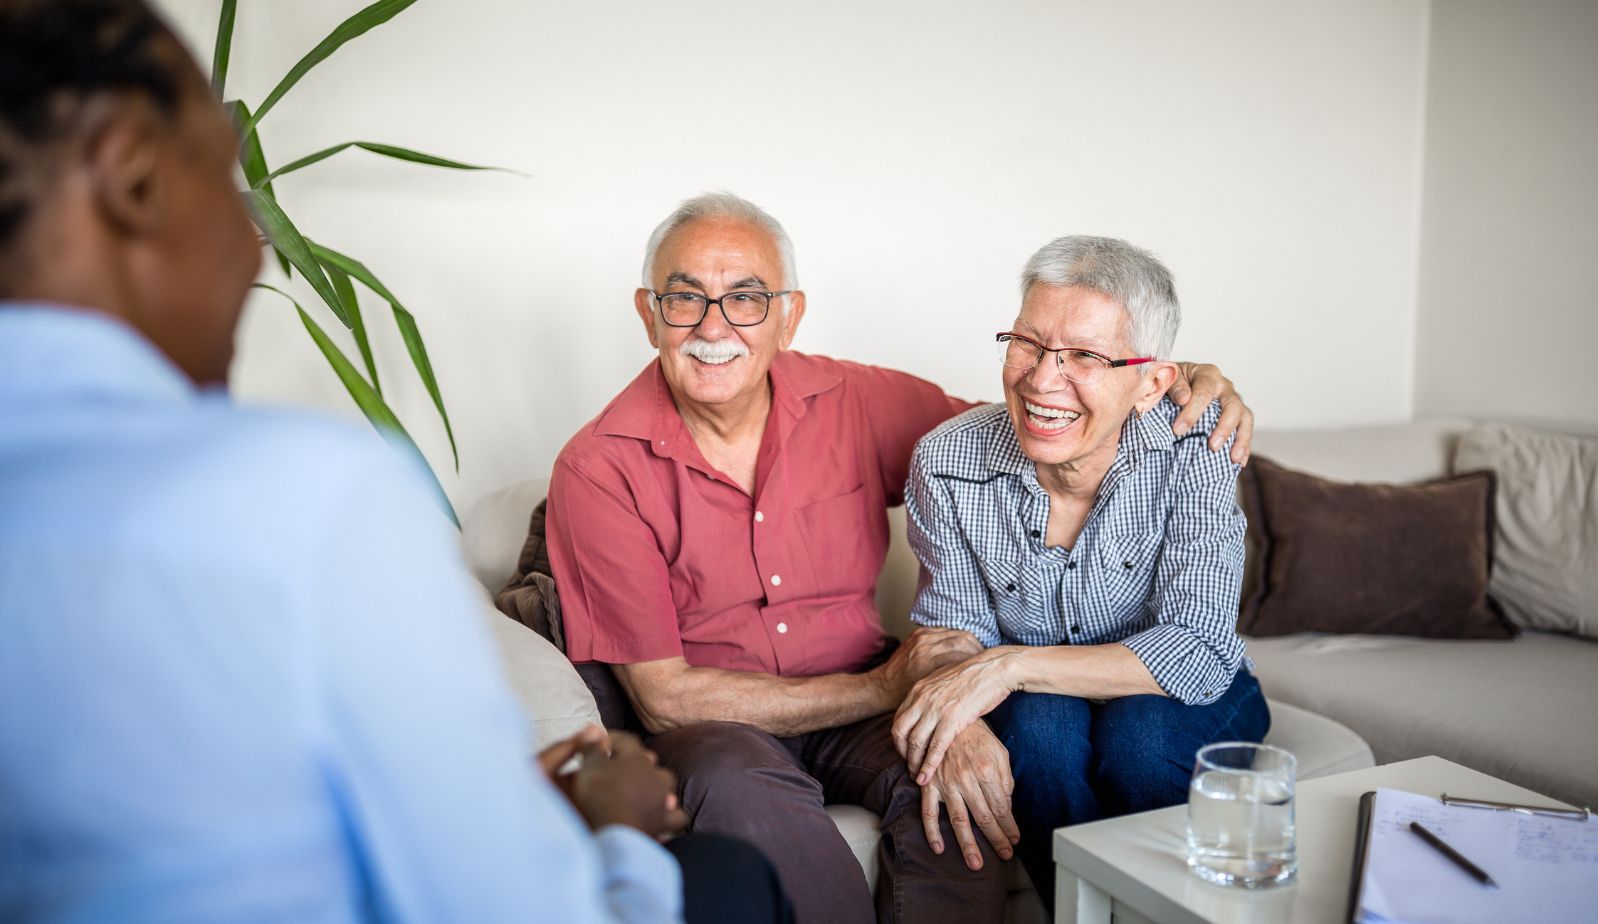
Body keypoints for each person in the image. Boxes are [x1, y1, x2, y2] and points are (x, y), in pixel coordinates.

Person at [0, 3, 789, 922]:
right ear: (135, 179)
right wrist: (613, 834)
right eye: (229, 181)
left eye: (746, 300)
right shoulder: (308, 498)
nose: (253, 242)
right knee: (727, 878)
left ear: (787, 315)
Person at [543, 194, 1258, 923]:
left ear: (789, 314)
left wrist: (1174, 378)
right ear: (649, 312)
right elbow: (666, 699)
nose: (714, 326)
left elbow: (1046, 417)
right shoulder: (598, 469)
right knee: (745, 793)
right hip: (720, 726)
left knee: (956, 790)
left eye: (747, 299)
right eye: (685, 298)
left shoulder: (857, 400)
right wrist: (899, 687)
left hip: (868, 693)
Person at [889, 236, 1271, 909]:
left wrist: (1007, 667)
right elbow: (954, 633)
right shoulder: (946, 461)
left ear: (1152, 382)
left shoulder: (1199, 441)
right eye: (1028, 343)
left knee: (1140, 743)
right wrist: (982, 685)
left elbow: (1198, 647)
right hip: (1045, 700)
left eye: (1085, 357)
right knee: (1038, 733)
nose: (1041, 380)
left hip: (1183, 691)